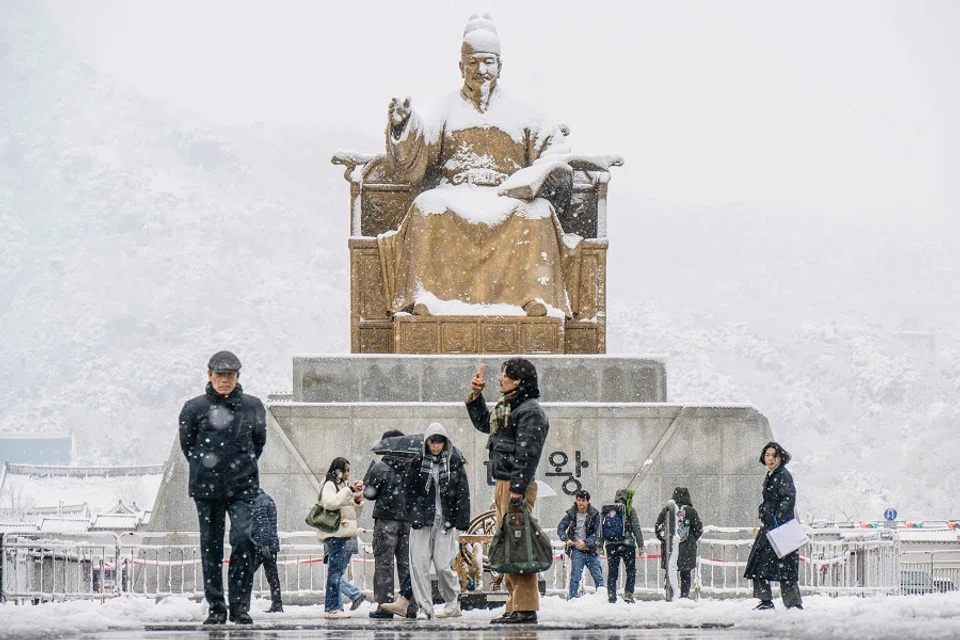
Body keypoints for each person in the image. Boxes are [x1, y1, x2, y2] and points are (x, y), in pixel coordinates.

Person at [377, 13, 583, 318]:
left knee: (538, 213)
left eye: (488, 62)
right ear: (461, 67)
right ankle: (426, 297)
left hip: (507, 194)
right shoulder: (444, 107)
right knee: (426, 206)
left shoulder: (524, 112)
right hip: (455, 191)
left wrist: (540, 173)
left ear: (500, 66)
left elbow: (555, 148)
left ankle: (534, 297)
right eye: (472, 63)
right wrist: (403, 124)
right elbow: (419, 148)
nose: (480, 70)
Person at [179, 350, 266, 625]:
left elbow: (259, 443)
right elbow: (188, 446)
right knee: (211, 547)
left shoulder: (253, 406)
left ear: (238, 377)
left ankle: (240, 606)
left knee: (243, 539)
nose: (224, 380)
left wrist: (240, 468)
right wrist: (208, 468)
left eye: (230, 375)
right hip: (207, 490)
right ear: (209, 375)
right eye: (220, 375)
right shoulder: (194, 408)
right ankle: (217, 606)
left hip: (243, 487)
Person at [467, 357, 549, 625]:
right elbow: (484, 424)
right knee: (512, 546)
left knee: (519, 544)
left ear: (518, 381)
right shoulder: (508, 407)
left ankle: (525, 607)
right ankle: (515, 605)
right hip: (506, 483)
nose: (499, 379)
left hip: (516, 486)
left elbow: (528, 453)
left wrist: (517, 487)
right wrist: (476, 396)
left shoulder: (530, 411)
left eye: (504, 375)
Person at [401, 422, 471, 620]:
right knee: (419, 566)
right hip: (421, 522)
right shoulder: (417, 463)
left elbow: (462, 493)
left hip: (444, 522)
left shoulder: (454, 462)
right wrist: (413, 516)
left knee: (443, 565)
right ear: (427, 442)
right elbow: (409, 492)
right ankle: (425, 607)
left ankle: (452, 602)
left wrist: (462, 519)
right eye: (433, 441)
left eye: (440, 442)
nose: (436, 446)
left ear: (445, 442)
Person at [744, 442, 804, 611]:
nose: (770, 459)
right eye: (767, 455)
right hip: (771, 525)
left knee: (786, 567)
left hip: (781, 527)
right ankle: (766, 599)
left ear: (780, 457)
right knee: (759, 564)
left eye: (774, 455)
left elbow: (788, 499)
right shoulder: (772, 475)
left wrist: (777, 516)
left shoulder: (783, 475)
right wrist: (764, 511)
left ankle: (792, 603)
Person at [364, 429, 413, 619]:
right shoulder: (413, 465)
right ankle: (409, 605)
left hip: (386, 521)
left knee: (384, 565)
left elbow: (370, 494)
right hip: (409, 520)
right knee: (407, 564)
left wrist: (370, 476)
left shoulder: (381, 467)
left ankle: (384, 605)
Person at [316, 457, 365, 619]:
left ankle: (335, 607)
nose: (347, 474)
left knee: (336, 572)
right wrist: (349, 490)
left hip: (343, 533)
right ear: (338, 470)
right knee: (335, 572)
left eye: (349, 471)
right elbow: (330, 503)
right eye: (346, 470)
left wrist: (357, 502)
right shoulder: (329, 485)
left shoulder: (343, 486)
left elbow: (352, 515)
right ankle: (332, 608)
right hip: (335, 533)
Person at [655, 487, 703, 600]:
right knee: (685, 574)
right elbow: (699, 529)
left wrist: (665, 541)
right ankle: (684, 597)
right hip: (686, 548)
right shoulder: (691, 511)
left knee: (670, 572)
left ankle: (670, 595)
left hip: (670, 547)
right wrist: (691, 539)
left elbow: (658, 527)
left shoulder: (667, 510)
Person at [557, 490, 604, 600]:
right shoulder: (571, 513)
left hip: (592, 550)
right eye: (578, 500)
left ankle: (602, 599)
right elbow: (560, 528)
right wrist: (567, 539)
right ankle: (573, 599)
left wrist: (586, 542)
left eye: (583, 500)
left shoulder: (594, 514)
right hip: (577, 550)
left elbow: (598, 533)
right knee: (575, 578)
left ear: (588, 502)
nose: (580, 503)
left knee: (598, 576)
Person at [603, 488, 645, 603]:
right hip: (628, 544)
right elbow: (636, 528)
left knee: (613, 572)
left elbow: (601, 529)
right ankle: (628, 594)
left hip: (611, 545)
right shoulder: (630, 509)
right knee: (630, 570)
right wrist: (641, 545)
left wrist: (599, 545)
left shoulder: (608, 510)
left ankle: (611, 595)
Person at [251, 489, 283, 613]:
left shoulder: (258, 501)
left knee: (246, 573)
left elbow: (263, 524)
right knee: (272, 575)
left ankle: (240, 603)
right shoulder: (267, 499)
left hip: (262, 545)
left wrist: (263, 545)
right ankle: (277, 603)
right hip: (271, 544)